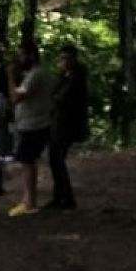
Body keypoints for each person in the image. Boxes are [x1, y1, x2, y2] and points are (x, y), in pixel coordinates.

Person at [7, 42, 54, 217]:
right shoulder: (34, 75)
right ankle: (28, 199)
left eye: (22, 55)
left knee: (28, 162)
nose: (20, 59)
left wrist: (10, 77)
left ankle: (30, 202)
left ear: (32, 55)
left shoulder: (36, 75)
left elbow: (15, 98)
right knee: (28, 161)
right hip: (32, 123)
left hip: (33, 125)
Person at [48, 44, 90, 210]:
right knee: (55, 159)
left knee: (57, 159)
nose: (62, 61)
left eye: (65, 58)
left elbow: (60, 98)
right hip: (61, 122)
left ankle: (66, 198)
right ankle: (60, 196)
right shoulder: (67, 76)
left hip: (67, 124)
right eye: (61, 58)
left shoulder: (75, 77)